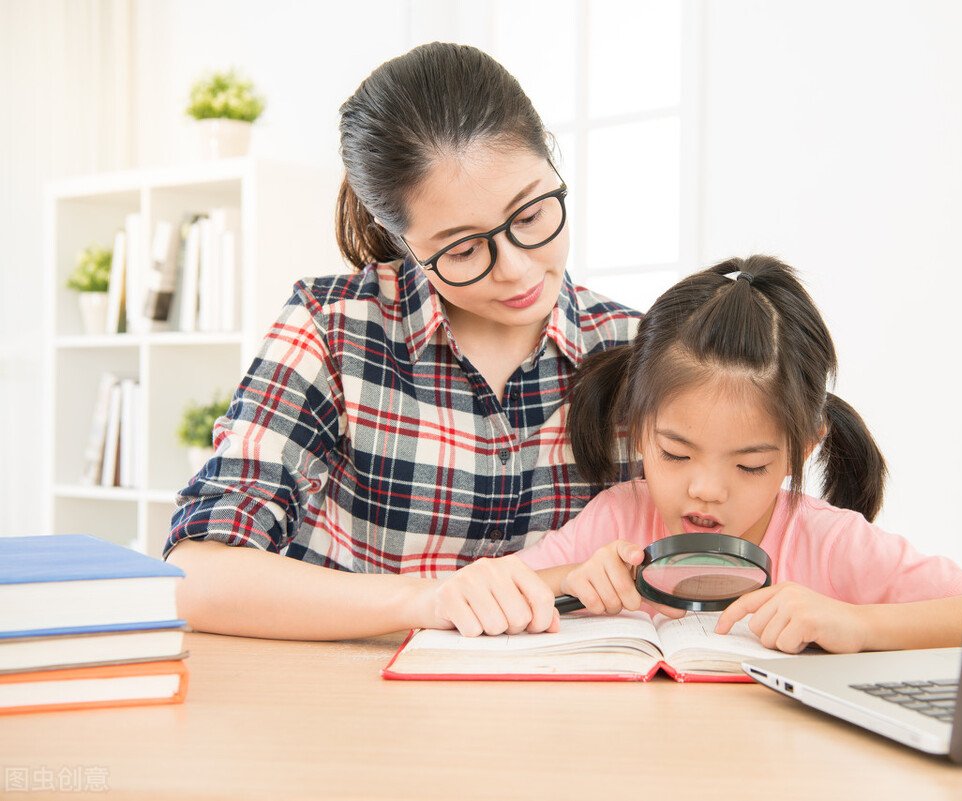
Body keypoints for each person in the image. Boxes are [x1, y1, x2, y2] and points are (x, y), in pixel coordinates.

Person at [165, 42, 639, 641]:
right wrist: (427, 601)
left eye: (531, 215)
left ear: (552, 161)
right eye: (463, 249)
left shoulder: (634, 346)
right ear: (401, 238)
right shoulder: (334, 329)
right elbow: (194, 573)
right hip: (358, 713)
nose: (516, 270)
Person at [515, 255, 962, 654]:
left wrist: (860, 624)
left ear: (804, 447)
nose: (706, 490)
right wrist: (568, 579)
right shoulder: (616, 519)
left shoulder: (830, 543)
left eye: (750, 466)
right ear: (636, 430)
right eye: (675, 454)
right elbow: (480, 592)